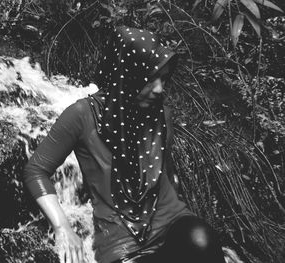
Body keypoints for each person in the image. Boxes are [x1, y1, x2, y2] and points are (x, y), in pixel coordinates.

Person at [23, 26, 226, 263]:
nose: (160, 89)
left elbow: (166, 174)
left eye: (163, 78)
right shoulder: (81, 115)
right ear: (127, 76)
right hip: (121, 244)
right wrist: (63, 228)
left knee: (203, 241)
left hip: (173, 223)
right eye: (151, 79)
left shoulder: (162, 114)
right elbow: (36, 170)